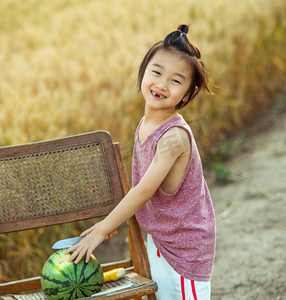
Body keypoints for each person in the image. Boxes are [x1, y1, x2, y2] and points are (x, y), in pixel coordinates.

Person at [66, 24, 216, 299]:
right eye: (156, 72)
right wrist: (110, 222)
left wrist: (103, 228)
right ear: (144, 71)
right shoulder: (146, 123)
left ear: (188, 94)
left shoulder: (174, 137)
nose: (161, 84)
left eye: (176, 80)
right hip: (159, 236)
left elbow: (144, 190)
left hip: (186, 243)